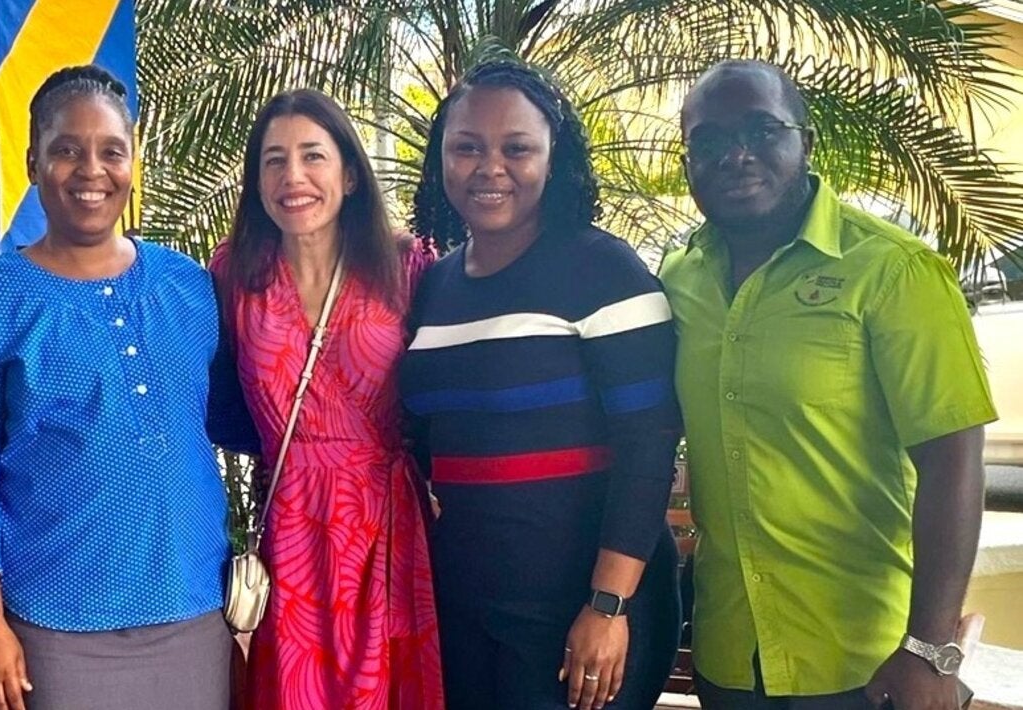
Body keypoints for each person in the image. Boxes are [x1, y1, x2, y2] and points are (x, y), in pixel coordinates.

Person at [661, 59, 996, 710]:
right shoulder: (679, 279)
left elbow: (954, 458)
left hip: (863, 661)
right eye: (710, 140)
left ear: (806, 142)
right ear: (688, 161)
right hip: (729, 652)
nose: (736, 155)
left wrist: (931, 649)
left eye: (762, 130)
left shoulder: (892, 271)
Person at [0, 65, 255, 710]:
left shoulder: (188, 285)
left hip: (193, 610)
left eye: (112, 151)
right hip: (54, 624)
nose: (91, 171)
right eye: (67, 150)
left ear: (134, 162)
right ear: (33, 163)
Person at [399, 60, 682, 710]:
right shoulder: (435, 286)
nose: (490, 167)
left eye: (516, 148)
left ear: (555, 160)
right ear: (441, 159)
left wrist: (608, 605)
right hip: (466, 604)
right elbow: (427, 436)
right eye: (467, 147)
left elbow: (648, 445)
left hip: (582, 613)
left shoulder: (603, 269)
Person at [209, 88, 444, 709]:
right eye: (274, 160)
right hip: (292, 526)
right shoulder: (235, 274)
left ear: (350, 174)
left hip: (387, 525)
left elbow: (443, 396)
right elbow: (218, 403)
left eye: (313, 156)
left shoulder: (405, 266)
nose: (294, 176)